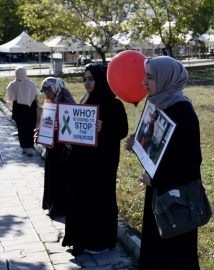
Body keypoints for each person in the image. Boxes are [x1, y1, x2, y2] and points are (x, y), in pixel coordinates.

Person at [124, 56, 202, 269]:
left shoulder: (183, 111)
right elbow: (160, 149)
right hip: (160, 195)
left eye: (150, 77)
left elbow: (190, 166)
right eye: (145, 76)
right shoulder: (160, 103)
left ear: (166, 78)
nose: (144, 83)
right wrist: (138, 143)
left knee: (172, 258)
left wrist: (156, 180)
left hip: (176, 202)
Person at [62, 63, 128, 256]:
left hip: (103, 163)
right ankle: (81, 237)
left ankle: (102, 240)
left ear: (100, 79)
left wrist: (103, 128)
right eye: (85, 79)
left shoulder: (114, 103)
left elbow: (122, 130)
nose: (87, 83)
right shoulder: (84, 100)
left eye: (91, 79)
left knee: (101, 199)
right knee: (82, 198)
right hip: (83, 162)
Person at [38, 77, 76, 218]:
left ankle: (60, 208)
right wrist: (42, 132)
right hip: (52, 144)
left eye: (49, 92)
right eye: (45, 93)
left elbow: (71, 127)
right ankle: (51, 205)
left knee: (61, 177)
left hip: (63, 147)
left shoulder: (68, 101)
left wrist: (59, 128)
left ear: (56, 89)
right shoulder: (51, 101)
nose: (47, 95)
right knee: (51, 175)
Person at [6, 66, 41, 156]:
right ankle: (30, 148)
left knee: (21, 129)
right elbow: (38, 94)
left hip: (18, 109)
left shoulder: (12, 84)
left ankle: (23, 147)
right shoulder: (30, 83)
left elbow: (9, 97)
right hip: (30, 108)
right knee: (30, 129)